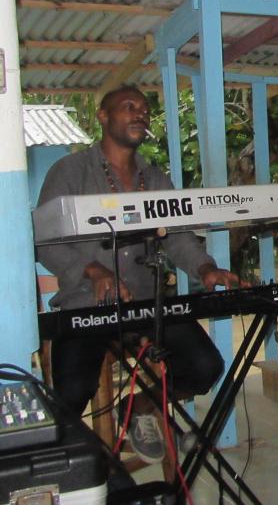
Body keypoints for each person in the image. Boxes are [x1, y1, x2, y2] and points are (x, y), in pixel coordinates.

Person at [37, 85, 241, 464]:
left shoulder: (156, 178)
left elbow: (178, 237)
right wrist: (92, 270)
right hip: (86, 304)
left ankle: (139, 407)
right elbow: (44, 243)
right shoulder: (69, 171)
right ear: (103, 116)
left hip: (148, 302)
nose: (139, 114)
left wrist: (206, 268)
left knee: (206, 367)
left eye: (144, 109)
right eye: (128, 107)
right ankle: (81, 471)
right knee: (72, 390)